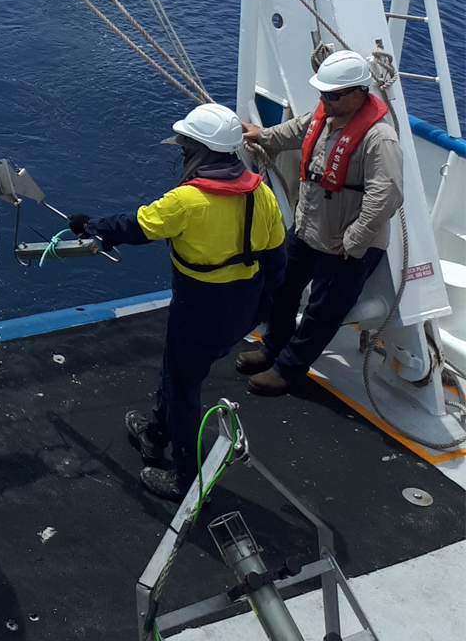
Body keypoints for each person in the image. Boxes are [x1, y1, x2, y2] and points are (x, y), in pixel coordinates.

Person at [69, 103, 286, 501]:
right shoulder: (261, 193)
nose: (183, 152)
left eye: (187, 146)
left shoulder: (186, 202)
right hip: (242, 308)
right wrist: (265, 311)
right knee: (177, 372)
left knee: (185, 389)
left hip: (199, 310)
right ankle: (154, 434)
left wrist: (93, 226)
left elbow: (136, 226)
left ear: (200, 150)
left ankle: (187, 478)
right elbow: (276, 259)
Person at [238, 49, 402, 396]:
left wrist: (355, 238)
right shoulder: (325, 115)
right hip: (310, 227)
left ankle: (288, 369)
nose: (324, 99)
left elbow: (385, 195)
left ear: (357, 94)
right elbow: (296, 131)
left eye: (332, 94)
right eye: (322, 93)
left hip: (346, 244)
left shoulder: (379, 138)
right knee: (280, 286)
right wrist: (261, 136)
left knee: (322, 311)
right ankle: (273, 347)